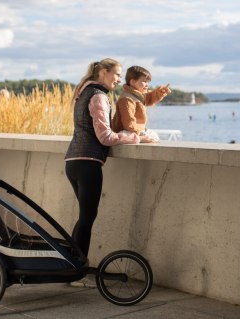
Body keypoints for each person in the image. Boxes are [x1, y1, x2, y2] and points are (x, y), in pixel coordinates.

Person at [65, 59, 139, 287]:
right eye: (117, 74)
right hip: (88, 164)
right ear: (104, 72)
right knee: (87, 219)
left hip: (74, 162)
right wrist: (135, 136)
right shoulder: (98, 96)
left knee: (84, 218)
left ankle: (70, 267)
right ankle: (77, 274)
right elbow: (105, 137)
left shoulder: (83, 92)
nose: (119, 79)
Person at [112, 65, 171, 143]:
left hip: (136, 130)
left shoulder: (138, 95)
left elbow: (150, 98)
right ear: (133, 82)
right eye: (144, 81)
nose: (147, 85)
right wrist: (139, 135)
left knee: (154, 137)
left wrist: (161, 92)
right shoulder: (127, 99)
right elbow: (128, 120)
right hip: (126, 131)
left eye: (148, 82)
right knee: (150, 138)